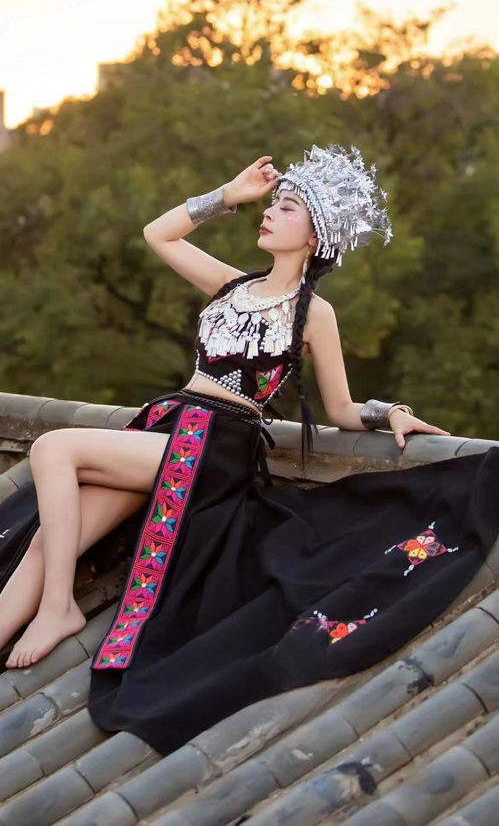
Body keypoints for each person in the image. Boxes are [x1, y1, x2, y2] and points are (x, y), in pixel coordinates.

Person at [1, 144, 499, 759]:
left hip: (214, 448)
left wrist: (388, 412)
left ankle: (58, 608)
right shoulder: (232, 285)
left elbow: (341, 408)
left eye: (285, 208)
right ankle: (30, 615)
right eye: (272, 204)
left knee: (54, 447)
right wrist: (228, 196)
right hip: (168, 429)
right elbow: (158, 234)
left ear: (314, 236)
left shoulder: (314, 313)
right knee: (52, 538)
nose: (268, 213)